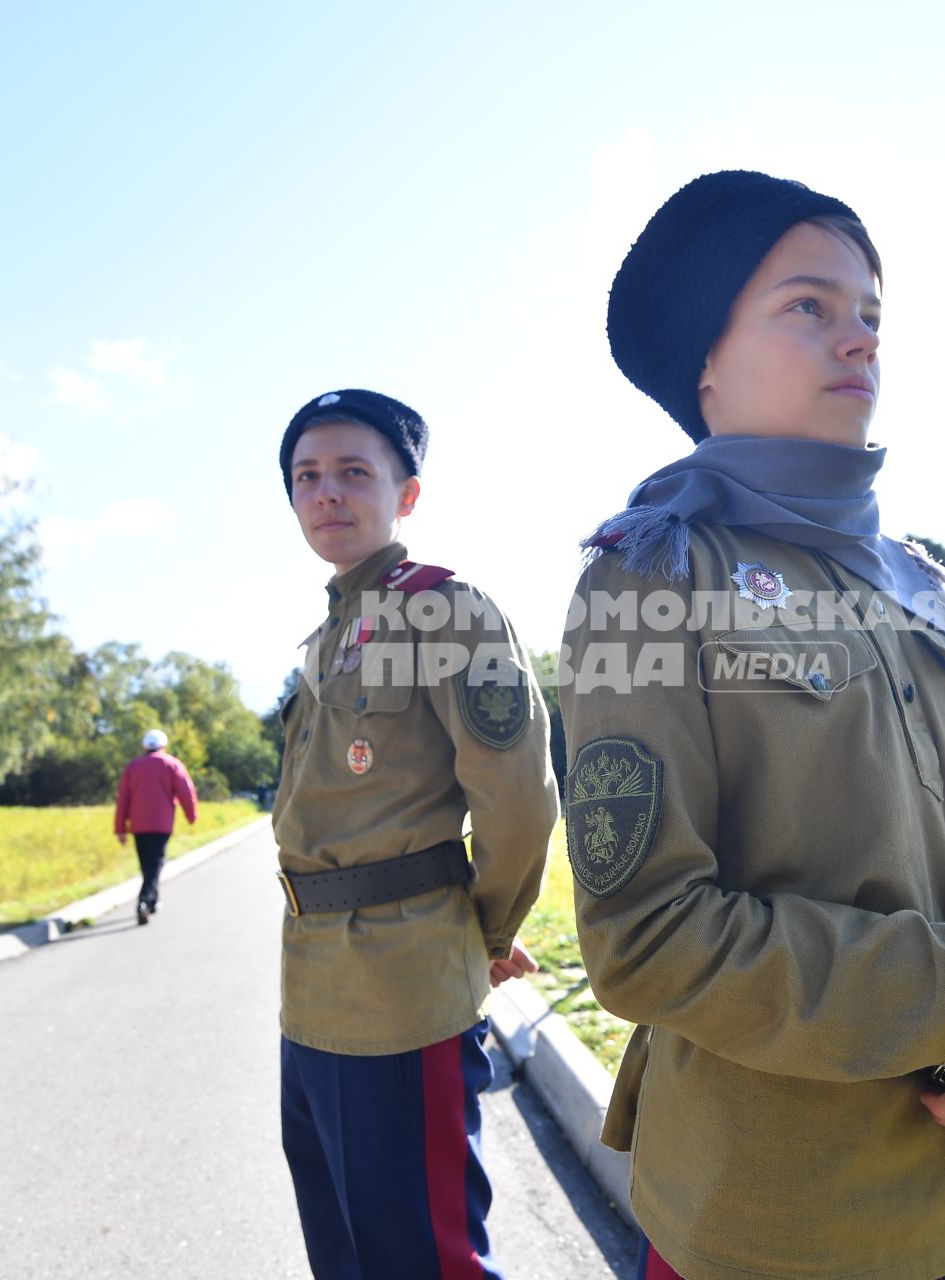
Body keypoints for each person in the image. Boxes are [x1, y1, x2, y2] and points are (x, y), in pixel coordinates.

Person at [560, 170, 945, 1280]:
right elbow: (650, 938)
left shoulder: (916, 580)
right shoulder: (653, 577)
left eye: (870, 314)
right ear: (705, 360)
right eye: (809, 307)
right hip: (778, 1227)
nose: (860, 341)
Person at [271, 388, 559, 1279]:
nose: (327, 493)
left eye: (354, 472)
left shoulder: (444, 610)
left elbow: (519, 798)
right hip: (311, 988)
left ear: (408, 494)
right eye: (306, 476)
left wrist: (489, 934)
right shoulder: (325, 637)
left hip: (402, 990)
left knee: (425, 1261)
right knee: (346, 1254)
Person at [114, 728, 198, 926]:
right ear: (164, 745)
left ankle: (152, 901)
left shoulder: (133, 767)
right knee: (156, 864)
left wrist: (120, 828)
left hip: (138, 825)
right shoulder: (172, 764)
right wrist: (191, 815)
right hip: (161, 824)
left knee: (147, 865)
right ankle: (144, 901)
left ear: (144, 747)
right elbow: (186, 791)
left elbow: (123, 799)